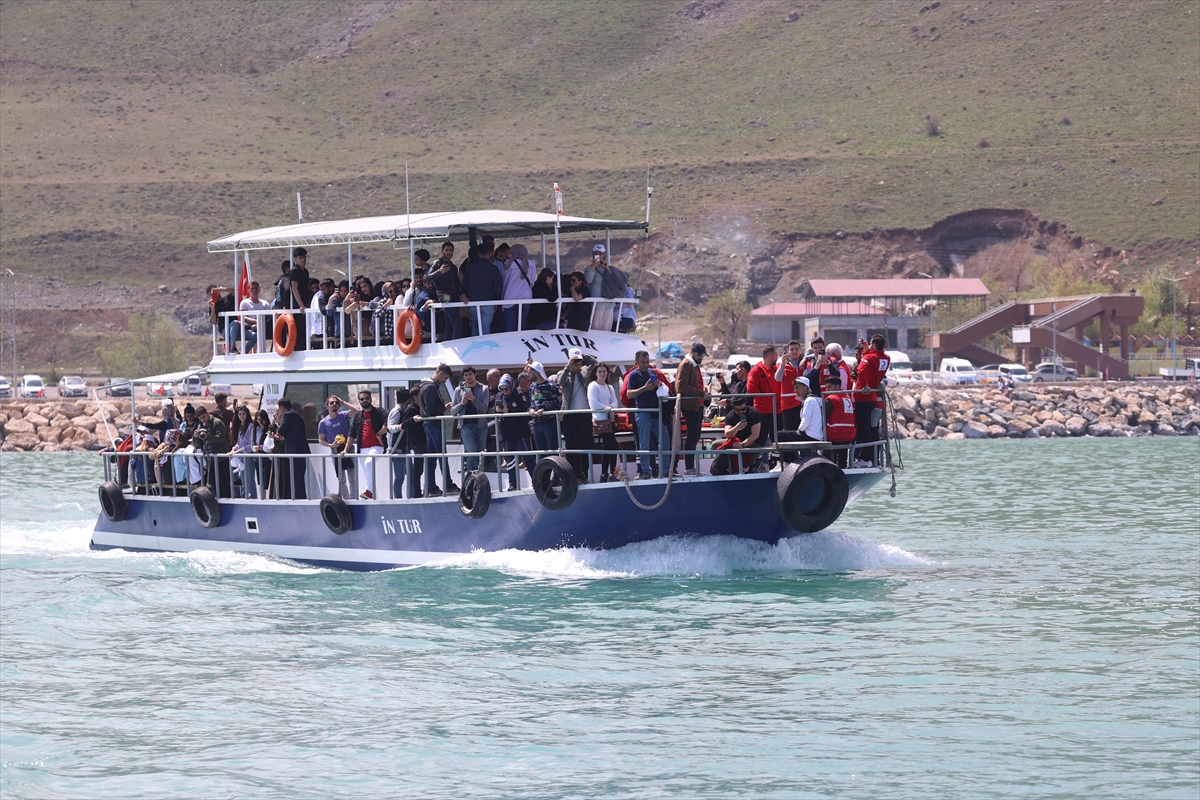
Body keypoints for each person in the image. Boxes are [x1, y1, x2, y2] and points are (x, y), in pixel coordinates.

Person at [557, 348, 597, 481]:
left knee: (585, 444)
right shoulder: (563, 373)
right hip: (569, 415)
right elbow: (560, 382)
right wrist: (568, 365)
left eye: (579, 362)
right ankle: (574, 473)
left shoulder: (584, 371)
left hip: (584, 415)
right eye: (575, 362)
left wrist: (584, 356)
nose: (578, 365)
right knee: (571, 445)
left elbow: (596, 364)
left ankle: (585, 473)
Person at [852, 334, 890, 466]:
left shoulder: (868, 357)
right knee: (870, 428)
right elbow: (875, 362)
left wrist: (865, 386)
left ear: (874, 345)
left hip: (862, 396)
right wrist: (867, 348)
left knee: (864, 429)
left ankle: (866, 458)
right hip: (873, 397)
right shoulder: (886, 358)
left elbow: (861, 370)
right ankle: (872, 458)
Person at [419, 364, 455, 497]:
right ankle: (448, 484)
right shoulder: (431, 387)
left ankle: (431, 486)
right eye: (445, 378)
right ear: (440, 373)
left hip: (428, 424)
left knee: (432, 457)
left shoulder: (425, 386)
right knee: (441, 455)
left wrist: (441, 407)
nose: (445, 381)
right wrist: (444, 408)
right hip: (433, 424)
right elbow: (431, 409)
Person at [625, 350, 663, 479]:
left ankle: (665, 469)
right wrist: (645, 388)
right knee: (644, 443)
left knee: (664, 440)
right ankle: (645, 471)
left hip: (655, 411)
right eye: (643, 363)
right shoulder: (633, 375)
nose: (646, 365)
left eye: (647, 362)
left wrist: (658, 385)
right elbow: (629, 394)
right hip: (642, 411)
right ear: (637, 363)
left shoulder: (652, 372)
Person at [674, 342, 709, 476]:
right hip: (690, 405)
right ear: (692, 352)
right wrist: (701, 393)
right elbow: (681, 386)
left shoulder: (693, 364)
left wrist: (703, 393)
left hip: (696, 404)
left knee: (695, 436)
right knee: (693, 436)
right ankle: (689, 467)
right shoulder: (686, 364)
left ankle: (690, 467)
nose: (701, 358)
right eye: (700, 355)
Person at [495, 373, 535, 490]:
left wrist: (510, 410)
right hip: (506, 432)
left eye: (506, 389)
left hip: (520, 430)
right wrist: (498, 410)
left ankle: (535, 480)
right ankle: (513, 483)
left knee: (528, 457)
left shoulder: (519, 394)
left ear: (511, 386)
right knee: (510, 459)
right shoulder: (499, 395)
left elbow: (523, 409)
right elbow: (494, 410)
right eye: (502, 389)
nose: (504, 391)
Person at [344, 389, 385, 499]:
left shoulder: (379, 412)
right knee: (368, 475)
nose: (365, 400)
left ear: (371, 399)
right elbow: (352, 434)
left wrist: (380, 433)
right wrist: (345, 450)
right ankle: (373, 498)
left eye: (367, 398)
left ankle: (369, 492)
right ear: (359, 401)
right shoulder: (358, 416)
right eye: (362, 399)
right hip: (362, 449)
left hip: (377, 446)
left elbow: (388, 421)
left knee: (368, 462)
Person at [710, 396, 763, 475]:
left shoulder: (754, 413)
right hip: (735, 442)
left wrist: (742, 445)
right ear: (733, 408)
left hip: (752, 443)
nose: (741, 412)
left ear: (746, 405)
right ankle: (727, 467)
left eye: (743, 409)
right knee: (715, 445)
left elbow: (755, 435)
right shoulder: (730, 416)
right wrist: (736, 428)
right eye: (738, 410)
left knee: (750, 451)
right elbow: (728, 434)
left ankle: (753, 463)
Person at [318, 395, 359, 499]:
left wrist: (343, 401)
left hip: (348, 450)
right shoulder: (323, 423)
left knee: (352, 479)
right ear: (327, 406)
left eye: (336, 402)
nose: (334, 404)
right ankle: (345, 501)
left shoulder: (343, 415)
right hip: (336, 453)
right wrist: (331, 445)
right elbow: (321, 440)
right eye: (331, 403)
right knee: (341, 480)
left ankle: (354, 501)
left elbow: (356, 411)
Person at [451, 366, 490, 473]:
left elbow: (484, 409)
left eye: (470, 374)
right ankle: (471, 481)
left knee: (480, 455)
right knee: (471, 453)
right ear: (463, 377)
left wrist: (473, 399)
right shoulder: (458, 390)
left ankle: (479, 480)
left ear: (475, 375)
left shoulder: (484, 389)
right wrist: (462, 404)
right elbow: (453, 411)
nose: (468, 377)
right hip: (466, 426)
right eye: (466, 375)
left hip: (481, 426)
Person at [583, 244, 629, 331]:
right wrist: (593, 266)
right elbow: (588, 280)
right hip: (596, 303)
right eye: (596, 253)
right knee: (596, 326)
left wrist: (607, 268)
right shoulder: (589, 268)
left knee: (606, 328)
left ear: (604, 254)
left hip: (608, 302)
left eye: (600, 253)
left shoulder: (608, 268)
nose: (598, 255)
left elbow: (615, 281)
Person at [588, 363, 620, 482]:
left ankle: (604, 475)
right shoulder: (593, 385)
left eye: (604, 371)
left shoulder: (609, 387)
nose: (602, 374)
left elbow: (615, 402)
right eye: (600, 371)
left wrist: (610, 407)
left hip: (609, 420)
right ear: (595, 373)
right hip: (600, 421)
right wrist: (606, 407)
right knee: (613, 446)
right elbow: (593, 403)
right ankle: (612, 473)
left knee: (606, 448)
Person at [427, 241, 466, 340]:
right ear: (442, 251)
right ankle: (455, 345)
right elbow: (426, 278)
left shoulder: (453, 267)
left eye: (451, 250)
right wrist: (439, 272)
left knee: (449, 324)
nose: (449, 252)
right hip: (444, 296)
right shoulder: (437, 263)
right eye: (447, 250)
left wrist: (462, 294)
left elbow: (457, 283)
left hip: (453, 297)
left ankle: (448, 345)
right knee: (457, 324)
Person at [274, 397, 310, 499]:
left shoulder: (289, 415)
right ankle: (300, 498)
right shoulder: (294, 414)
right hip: (299, 450)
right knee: (298, 478)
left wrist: (277, 421)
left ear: (281, 407)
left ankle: (300, 500)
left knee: (297, 479)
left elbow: (281, 431)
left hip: (296, 451)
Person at [526, 360, 562, 460]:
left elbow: (558, 403)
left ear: (537, 373)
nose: (528, 374)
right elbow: (531, 404)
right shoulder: (532, 387)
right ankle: (544, 475)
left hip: (549, 423)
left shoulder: (552, 387)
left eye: (530, 372)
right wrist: (531, 411)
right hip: (536, 423)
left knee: (553, 450)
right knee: (541, 452)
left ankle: (556, 475)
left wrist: (543, 409)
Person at [747, 346, 782, 443]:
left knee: (778, 438)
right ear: (770, 356)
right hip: (762, 411)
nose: (777, 358)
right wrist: (765, 400)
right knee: (760, 437)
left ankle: (776, 458)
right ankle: (758, 458)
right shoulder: (755, 371)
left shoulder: (776, 370)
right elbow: (751, 388)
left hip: (777, 410)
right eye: (776, 356)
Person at [196, 406, 232, 498]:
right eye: (200, 419)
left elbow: (221, 438)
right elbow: (197, 443)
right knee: (213, 484)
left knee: (224, 484)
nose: (203, 420)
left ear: (208, 413)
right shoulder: (201, 426)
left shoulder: (217, 423)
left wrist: (208, 437)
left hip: (221, 459)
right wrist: (195, 436)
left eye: (204, 417)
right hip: (210, 459)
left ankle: (227, 503)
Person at [821, 374, 857, 468]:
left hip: (836, 433)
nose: (827, 390)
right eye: (826, 387)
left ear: (837, 387)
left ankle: (826, 470)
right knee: (842, 460)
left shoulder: (831, 399)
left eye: (829, 387)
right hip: (848, 434)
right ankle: (842, 470)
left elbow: (822, 415)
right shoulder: (846, 396)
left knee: (826, 457)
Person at [386, 388, 414, 499]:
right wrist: (400, 426)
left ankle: (411, 498)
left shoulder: (402, 411)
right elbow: (390, 427)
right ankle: (397, 499)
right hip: (397, 451)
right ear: (408, 399)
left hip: (404, 449)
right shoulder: (397, 411)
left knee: (411, 476)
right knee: (399, 478)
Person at [774, 340, 805, 432]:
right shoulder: (782, 365)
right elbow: (778, 378)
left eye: (796, 349)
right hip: (788, 404)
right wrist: (783, 365)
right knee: (789, 430)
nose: (794, 352)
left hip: (802, 403)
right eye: (791, 349)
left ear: (800, 350)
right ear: (788, 351)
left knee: (803, 429)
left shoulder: (805, 363)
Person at [287, 248, 311, 351]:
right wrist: (301, 304)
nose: (303, 260)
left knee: (306, 331)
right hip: (298, 305)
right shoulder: (294, 271)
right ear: (295, 259)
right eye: (300, 258)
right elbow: (294, 288)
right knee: (299, 331)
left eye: (304, 257)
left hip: (305, 303)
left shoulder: (305, 272)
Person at [796, 376, 825, 442]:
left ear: (805, 388)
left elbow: (806, 420)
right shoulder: (810, 399)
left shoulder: (809, 400)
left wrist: (799, 430)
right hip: (814, 434)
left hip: (811, 435)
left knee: (780, 435)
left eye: (797, 388)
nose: (795, 391)